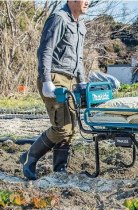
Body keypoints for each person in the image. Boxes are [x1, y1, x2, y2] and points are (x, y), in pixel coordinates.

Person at [20, 0, 89, 180]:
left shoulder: (80, 24)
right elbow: (45, 51)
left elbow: (79, 59)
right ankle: (30, 156)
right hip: (55, 77)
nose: (88, 2)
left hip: (70, 80)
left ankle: (60, 170)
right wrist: (46, 80)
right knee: (61, 127)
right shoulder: (59, 19)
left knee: (71, 127)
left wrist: (82, 83)